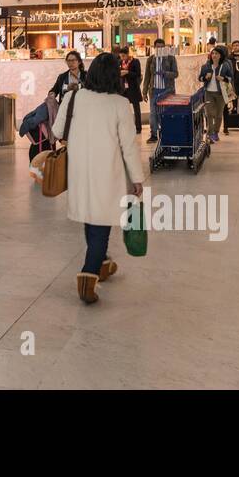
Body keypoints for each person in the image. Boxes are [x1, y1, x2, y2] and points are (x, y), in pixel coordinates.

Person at [56, 53, 143, 304]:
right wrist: (137, 178)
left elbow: (57, 130)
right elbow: (128, 146)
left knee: (91, 215)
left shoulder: (75, 96)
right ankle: (88, 274)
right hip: (108, 170)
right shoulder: (119, 103)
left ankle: (102, 262)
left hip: (80, 168)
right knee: (101, 222)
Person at [140, 38, 178, 144]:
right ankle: (153, 134)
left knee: (166, 113)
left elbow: (175, 74)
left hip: (167, 90)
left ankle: (166, 132)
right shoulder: (151, 59)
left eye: (162, 47)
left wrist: (165, 73)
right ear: (154, 47)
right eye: (158, 47)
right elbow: (147, 76)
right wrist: (144, 91)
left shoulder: (170, 58)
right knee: (153, 114)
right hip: (154, 90)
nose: (160, 49)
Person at [198, 46, 233, 144]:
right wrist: (205, 77)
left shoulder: (225, 65)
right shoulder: (205, 66)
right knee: (209, 114)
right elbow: (199, 78)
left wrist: (223, 78)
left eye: (216, 54)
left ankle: (216, 132)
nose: (214, 55)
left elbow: (230, 78)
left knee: (218, 115)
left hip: (221, 93)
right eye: (213, 53)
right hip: (208, 92)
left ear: (220, 55)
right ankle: (210, 134)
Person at [118, 46, 143, 134]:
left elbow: (138, 74)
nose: (122, 58)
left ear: (128, 54)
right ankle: (125, 127)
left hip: (133, 87)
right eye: (121, 56)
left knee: (136, 109)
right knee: (123, 109)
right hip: (123, 88)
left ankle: (138, 128)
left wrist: (127, 72)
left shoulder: (135, 61)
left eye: (123, 56)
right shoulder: (120, 62)